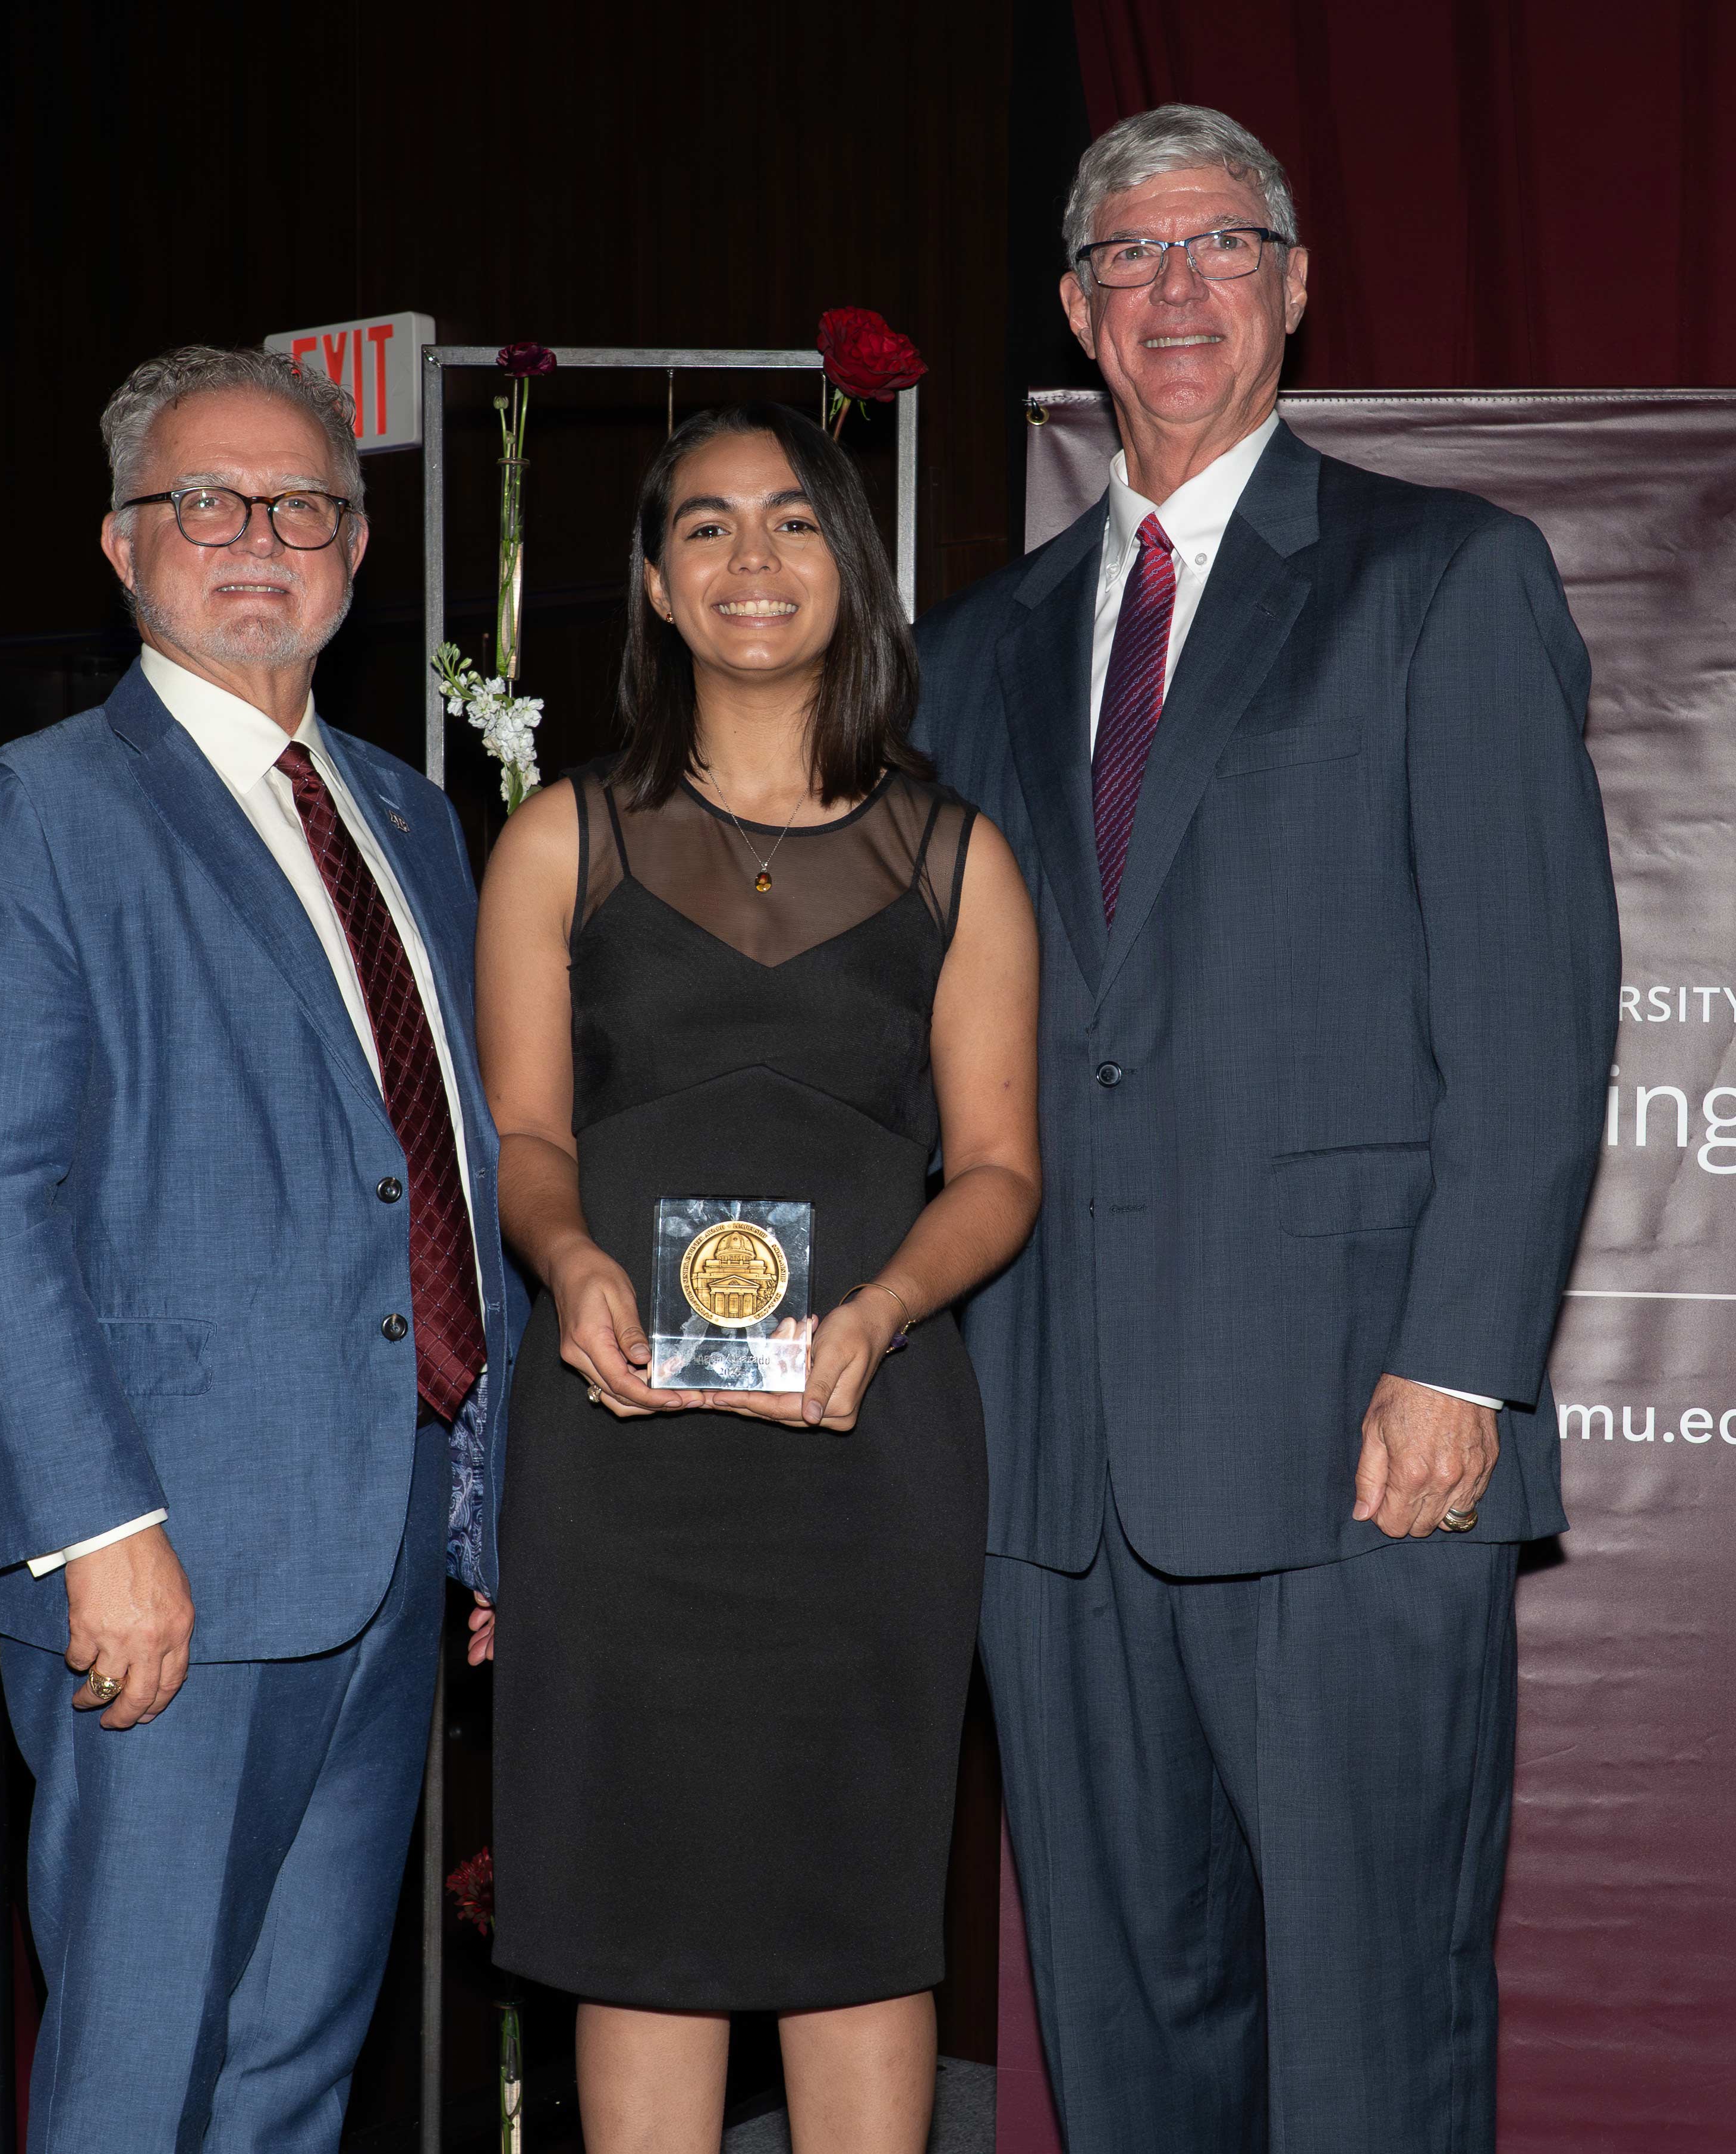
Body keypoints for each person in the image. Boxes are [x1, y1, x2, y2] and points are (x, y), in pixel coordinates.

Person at [912, 105, 1619, 2151]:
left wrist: (1463, 1360)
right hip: (1046, 1470)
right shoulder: (971, 652)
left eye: (1224, 246)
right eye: (1128, 258)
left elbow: (1529, 1017)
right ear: (1076, 311)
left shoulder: (1445, 578)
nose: (1177, 289)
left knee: (1377, 2032)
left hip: (1356, 1448)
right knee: (1126, 2040)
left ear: (1298, 288)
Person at [0, 345, 521, 2154]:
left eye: (304, 507)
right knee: (136, 2080)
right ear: (122, 544)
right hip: (159, 1567)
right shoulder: (42, 812)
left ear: (354, 549)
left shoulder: (411, 817)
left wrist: (485, 1499)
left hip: (384, 1542)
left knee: (287, 2075)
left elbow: (452, 1175)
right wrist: (98, 1533)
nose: (258, 538)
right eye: (206, 502)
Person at [476, 403, 1040, 2154]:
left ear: (850, 574)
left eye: (794, 525)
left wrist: (880, 1308)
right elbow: (527, 1144)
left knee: (857, 1907)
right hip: (620, 1443)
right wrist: (566, 1264)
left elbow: (1004, 1170)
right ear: (654, 584)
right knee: (639, 1918)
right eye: (705, 528)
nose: (752, 561)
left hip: (864, 1448)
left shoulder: (960, 857)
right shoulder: (561, 841)